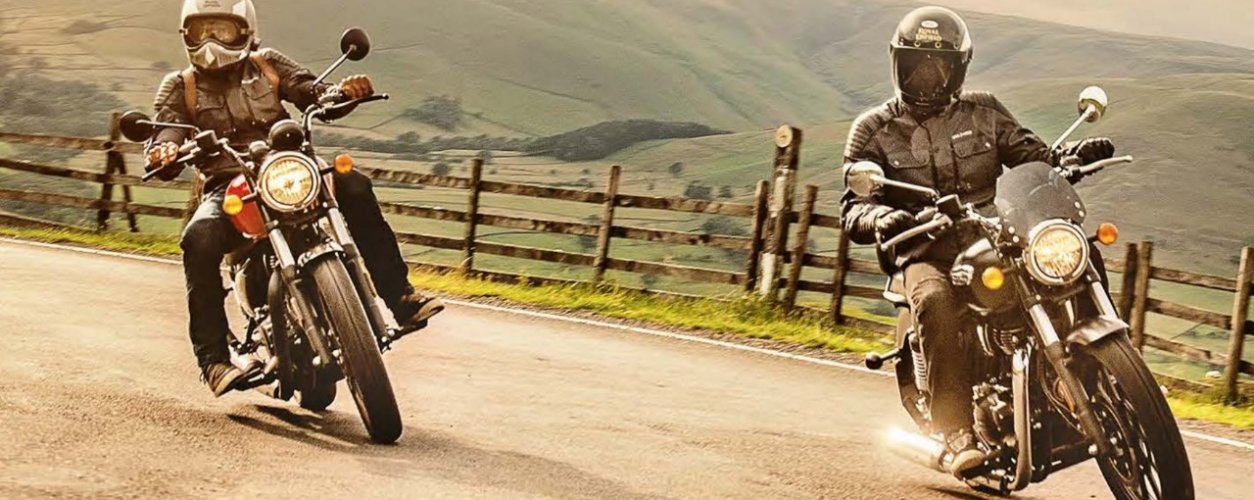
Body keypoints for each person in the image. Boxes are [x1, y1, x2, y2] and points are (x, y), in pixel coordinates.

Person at [839, 6, 1115, 474]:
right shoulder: (874, 129)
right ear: (898, 64)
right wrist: (882, 217)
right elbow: (854, 205)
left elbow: (1034, 156)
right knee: (935, 300)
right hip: (925, 248)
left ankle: (1106, 370)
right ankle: (957, 428)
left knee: (1075, 252)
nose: (927, 75)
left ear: (958, 68)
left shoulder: (985, 111)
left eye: (938, 65)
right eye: (916, 64)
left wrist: (1070, 157)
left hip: (995, 234)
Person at [143, 0, 444, 397]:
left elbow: (312, 90)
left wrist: (342, 92)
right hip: (228, 186)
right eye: (202, 31)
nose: (212, 41)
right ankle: (213, 359)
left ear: (245, 30)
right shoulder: (180, 86)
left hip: (290, 170)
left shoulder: (268, 64)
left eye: (222, 30)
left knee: (353, 184)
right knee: (198, 238)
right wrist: (163, 150)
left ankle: (400, 297)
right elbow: (165, 130)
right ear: (187, 35)